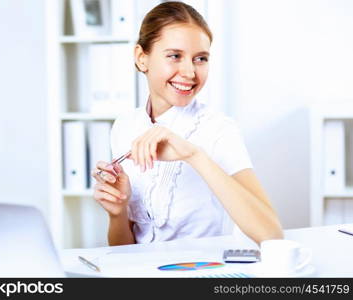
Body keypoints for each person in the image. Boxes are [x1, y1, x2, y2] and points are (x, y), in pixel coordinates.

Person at [92, 1, 283, 246]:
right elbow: (123, 252)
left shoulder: (218, 129)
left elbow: (272, 234)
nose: (190, 72)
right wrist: (117, 212)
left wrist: (193, 154)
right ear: (142, 58)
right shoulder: (124, 127)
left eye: (200, 58)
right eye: (175, 56)